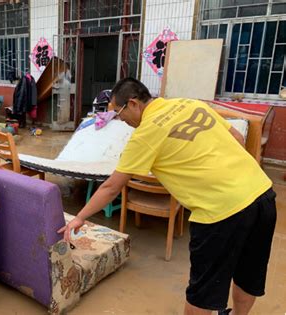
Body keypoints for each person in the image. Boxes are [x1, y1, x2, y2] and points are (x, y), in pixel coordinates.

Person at [59, 78, 277, 315]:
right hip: (262, 194)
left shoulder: (145, 134)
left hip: (220, 212)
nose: (122, 121)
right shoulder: (190, 104)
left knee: (202, 294)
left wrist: (80, 217)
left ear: (133, 104)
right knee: (249, 274)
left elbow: (111, 187)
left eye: (119, 114)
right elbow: (238, 138)